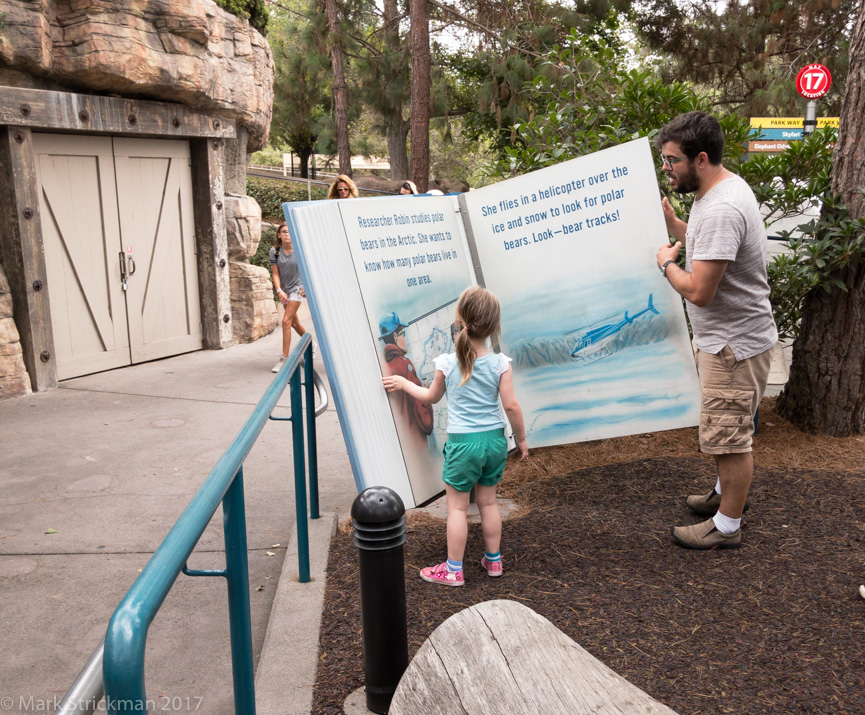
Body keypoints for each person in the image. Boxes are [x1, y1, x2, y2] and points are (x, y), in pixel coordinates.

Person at [655, 111, 778, 550]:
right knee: (728, 430)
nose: (666, 169)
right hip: (736, 340)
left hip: (732, 348)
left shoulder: (721, 207)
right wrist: (680, 231)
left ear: (700, 158)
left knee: (730, 438)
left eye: (672, 161)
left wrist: (667, 264)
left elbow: (700, 290)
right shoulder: (722, 188)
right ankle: (723, 495)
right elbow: (715, 250)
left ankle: (727, 526)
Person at [382, 286, 528, 586]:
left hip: (463, 446)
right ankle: (494, 561)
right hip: (495, 442)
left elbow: (431, 397)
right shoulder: (501, 364)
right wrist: (521, 439)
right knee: (489, 503)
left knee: (458, 508)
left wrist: (401, 383)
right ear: (494, 326)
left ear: (459, 321)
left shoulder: (446, 363)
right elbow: (511, 405)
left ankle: (453, 569)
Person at [269, 223, 316, 372]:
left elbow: (309, 269)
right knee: (294, 323)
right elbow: (275, 273)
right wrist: (278, 290)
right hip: (284, 290)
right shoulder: (275, 251)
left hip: (297, 288)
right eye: (283, 232)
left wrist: (307, 287)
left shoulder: (300, 250)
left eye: (289, 232)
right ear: (279, 235)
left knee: (285, 321)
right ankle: (310, 343)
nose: (287, 234)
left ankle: (284, 359)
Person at [378, 312, 433, 438]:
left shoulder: (385, 365)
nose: (405, 338)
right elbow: (425, 422)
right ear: (396, 336)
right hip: (416, 439)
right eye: (403, 333)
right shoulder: (405, 364)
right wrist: (426, 396)